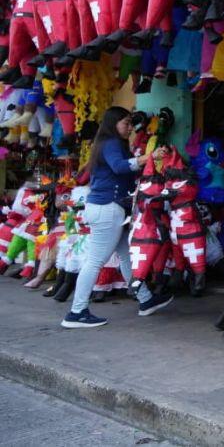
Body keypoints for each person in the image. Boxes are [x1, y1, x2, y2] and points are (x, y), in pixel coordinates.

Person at [61, 106, 171, 328]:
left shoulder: (109, 144)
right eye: (126, 123)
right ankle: (76, 312)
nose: (130, 128)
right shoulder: (110, 144)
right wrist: (149, 157)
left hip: (109, 209)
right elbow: (120, 168)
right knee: (95, 261)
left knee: (126, 256)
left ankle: (145, 299)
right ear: (113, 123)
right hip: (107, 209)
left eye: (131, 123)